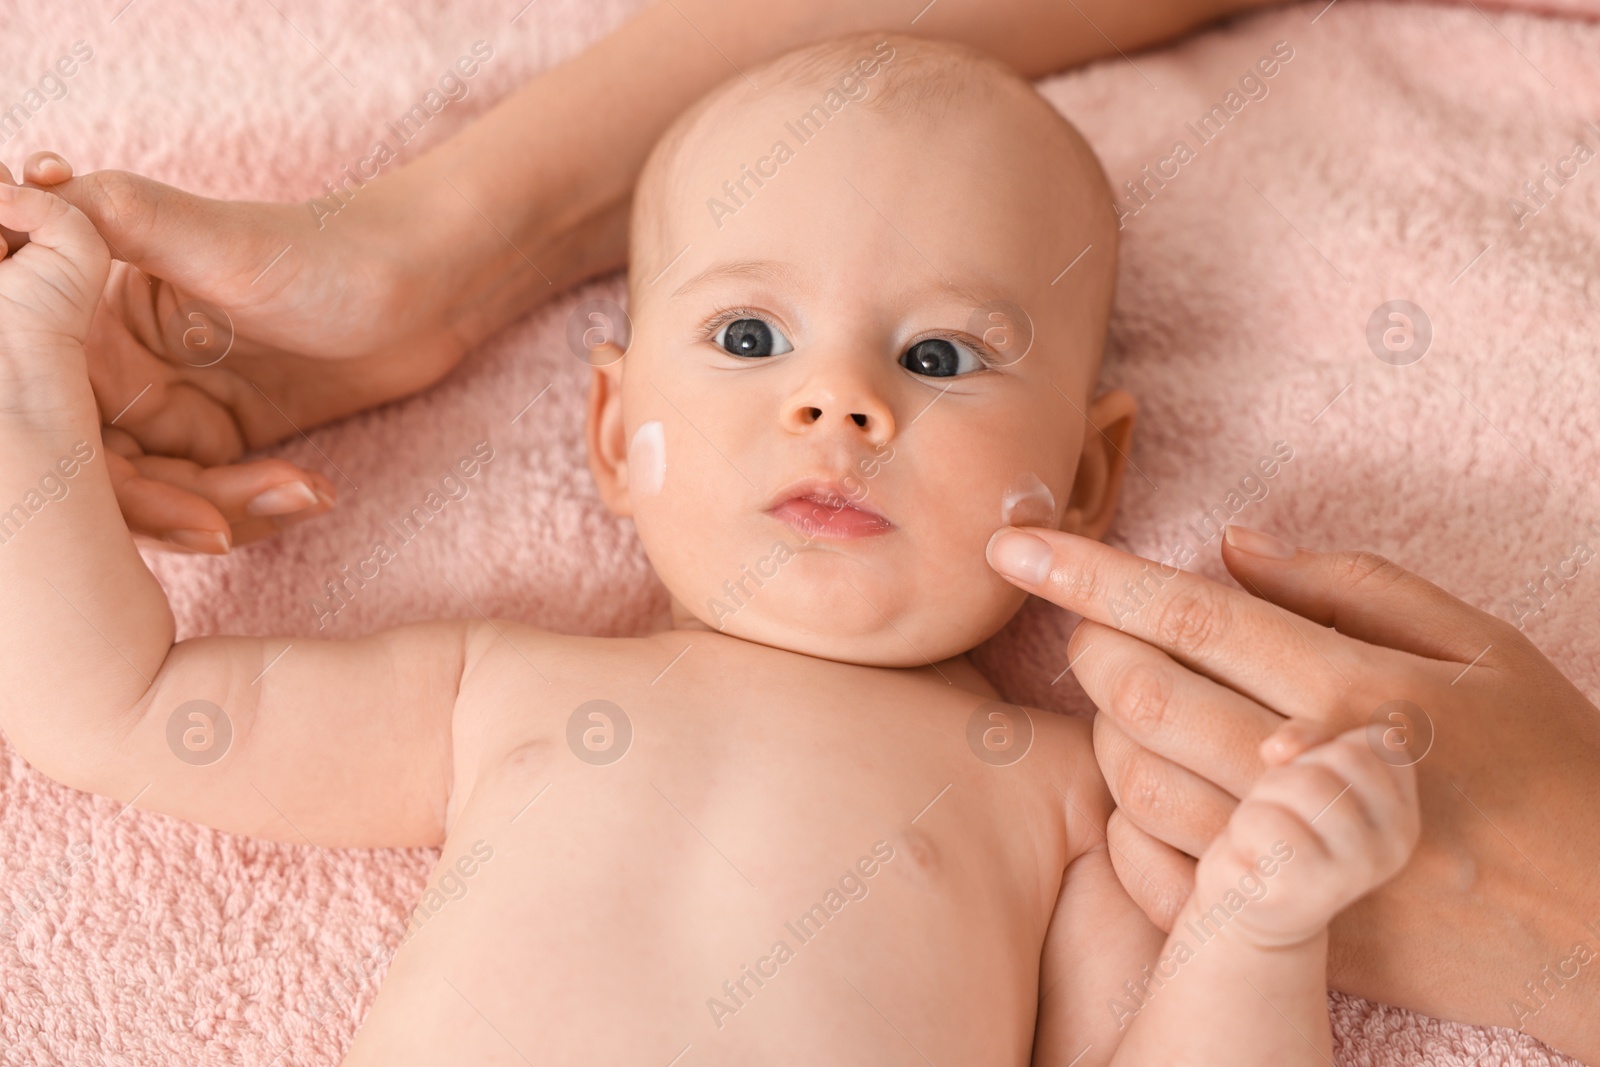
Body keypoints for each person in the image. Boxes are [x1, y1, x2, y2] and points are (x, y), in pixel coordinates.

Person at [4, 0, 1597, 1056]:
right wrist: (32, 425)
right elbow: (115, 706)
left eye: (940, 357)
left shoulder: (1070, 807)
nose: (841, 408)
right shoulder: (504, 696)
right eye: (751, 341)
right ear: (613, 432)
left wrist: (1258, 929)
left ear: (1091, 480)